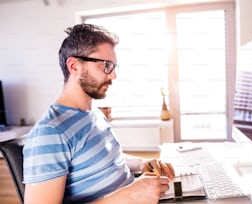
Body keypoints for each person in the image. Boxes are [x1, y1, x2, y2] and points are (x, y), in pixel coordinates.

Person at [23, 24, 175, 204]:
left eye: (113, 66)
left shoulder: (94, 113)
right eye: (106, 66)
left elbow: (108, 161)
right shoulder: (50, 133)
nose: (113, 75)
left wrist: (142, 163)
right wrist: (128, 197)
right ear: (74, 66)